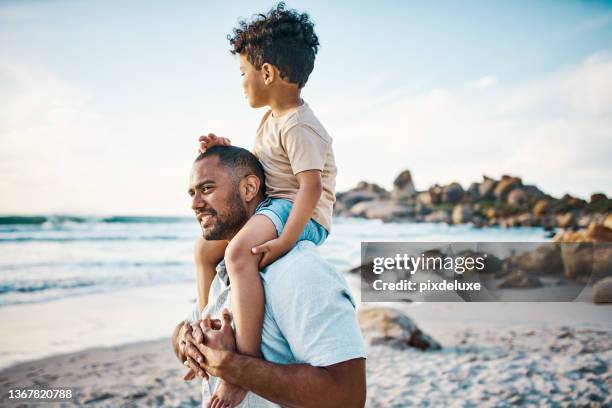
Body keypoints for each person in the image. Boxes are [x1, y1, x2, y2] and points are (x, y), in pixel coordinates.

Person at [194, 4, 337, 406]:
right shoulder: (275, 119)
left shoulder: (299, 124)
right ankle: (204, 323)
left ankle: (244, 361)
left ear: (269, 73)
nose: (241, 82)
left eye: (244, 72)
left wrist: (286, 241)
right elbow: (262, 166)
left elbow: (309, 188)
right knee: (206, 250)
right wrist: (226, 150)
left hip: (296, 211)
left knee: (239, 252)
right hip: (277, 206)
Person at [173, 146, 365, 408]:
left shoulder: (299, 271)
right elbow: (185, 331)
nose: (195, 204)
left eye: (207, 189)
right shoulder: (224, 271)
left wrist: (232, 366)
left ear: (249, 188)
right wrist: (188, 340)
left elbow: (348, 396)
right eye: (192, 193)